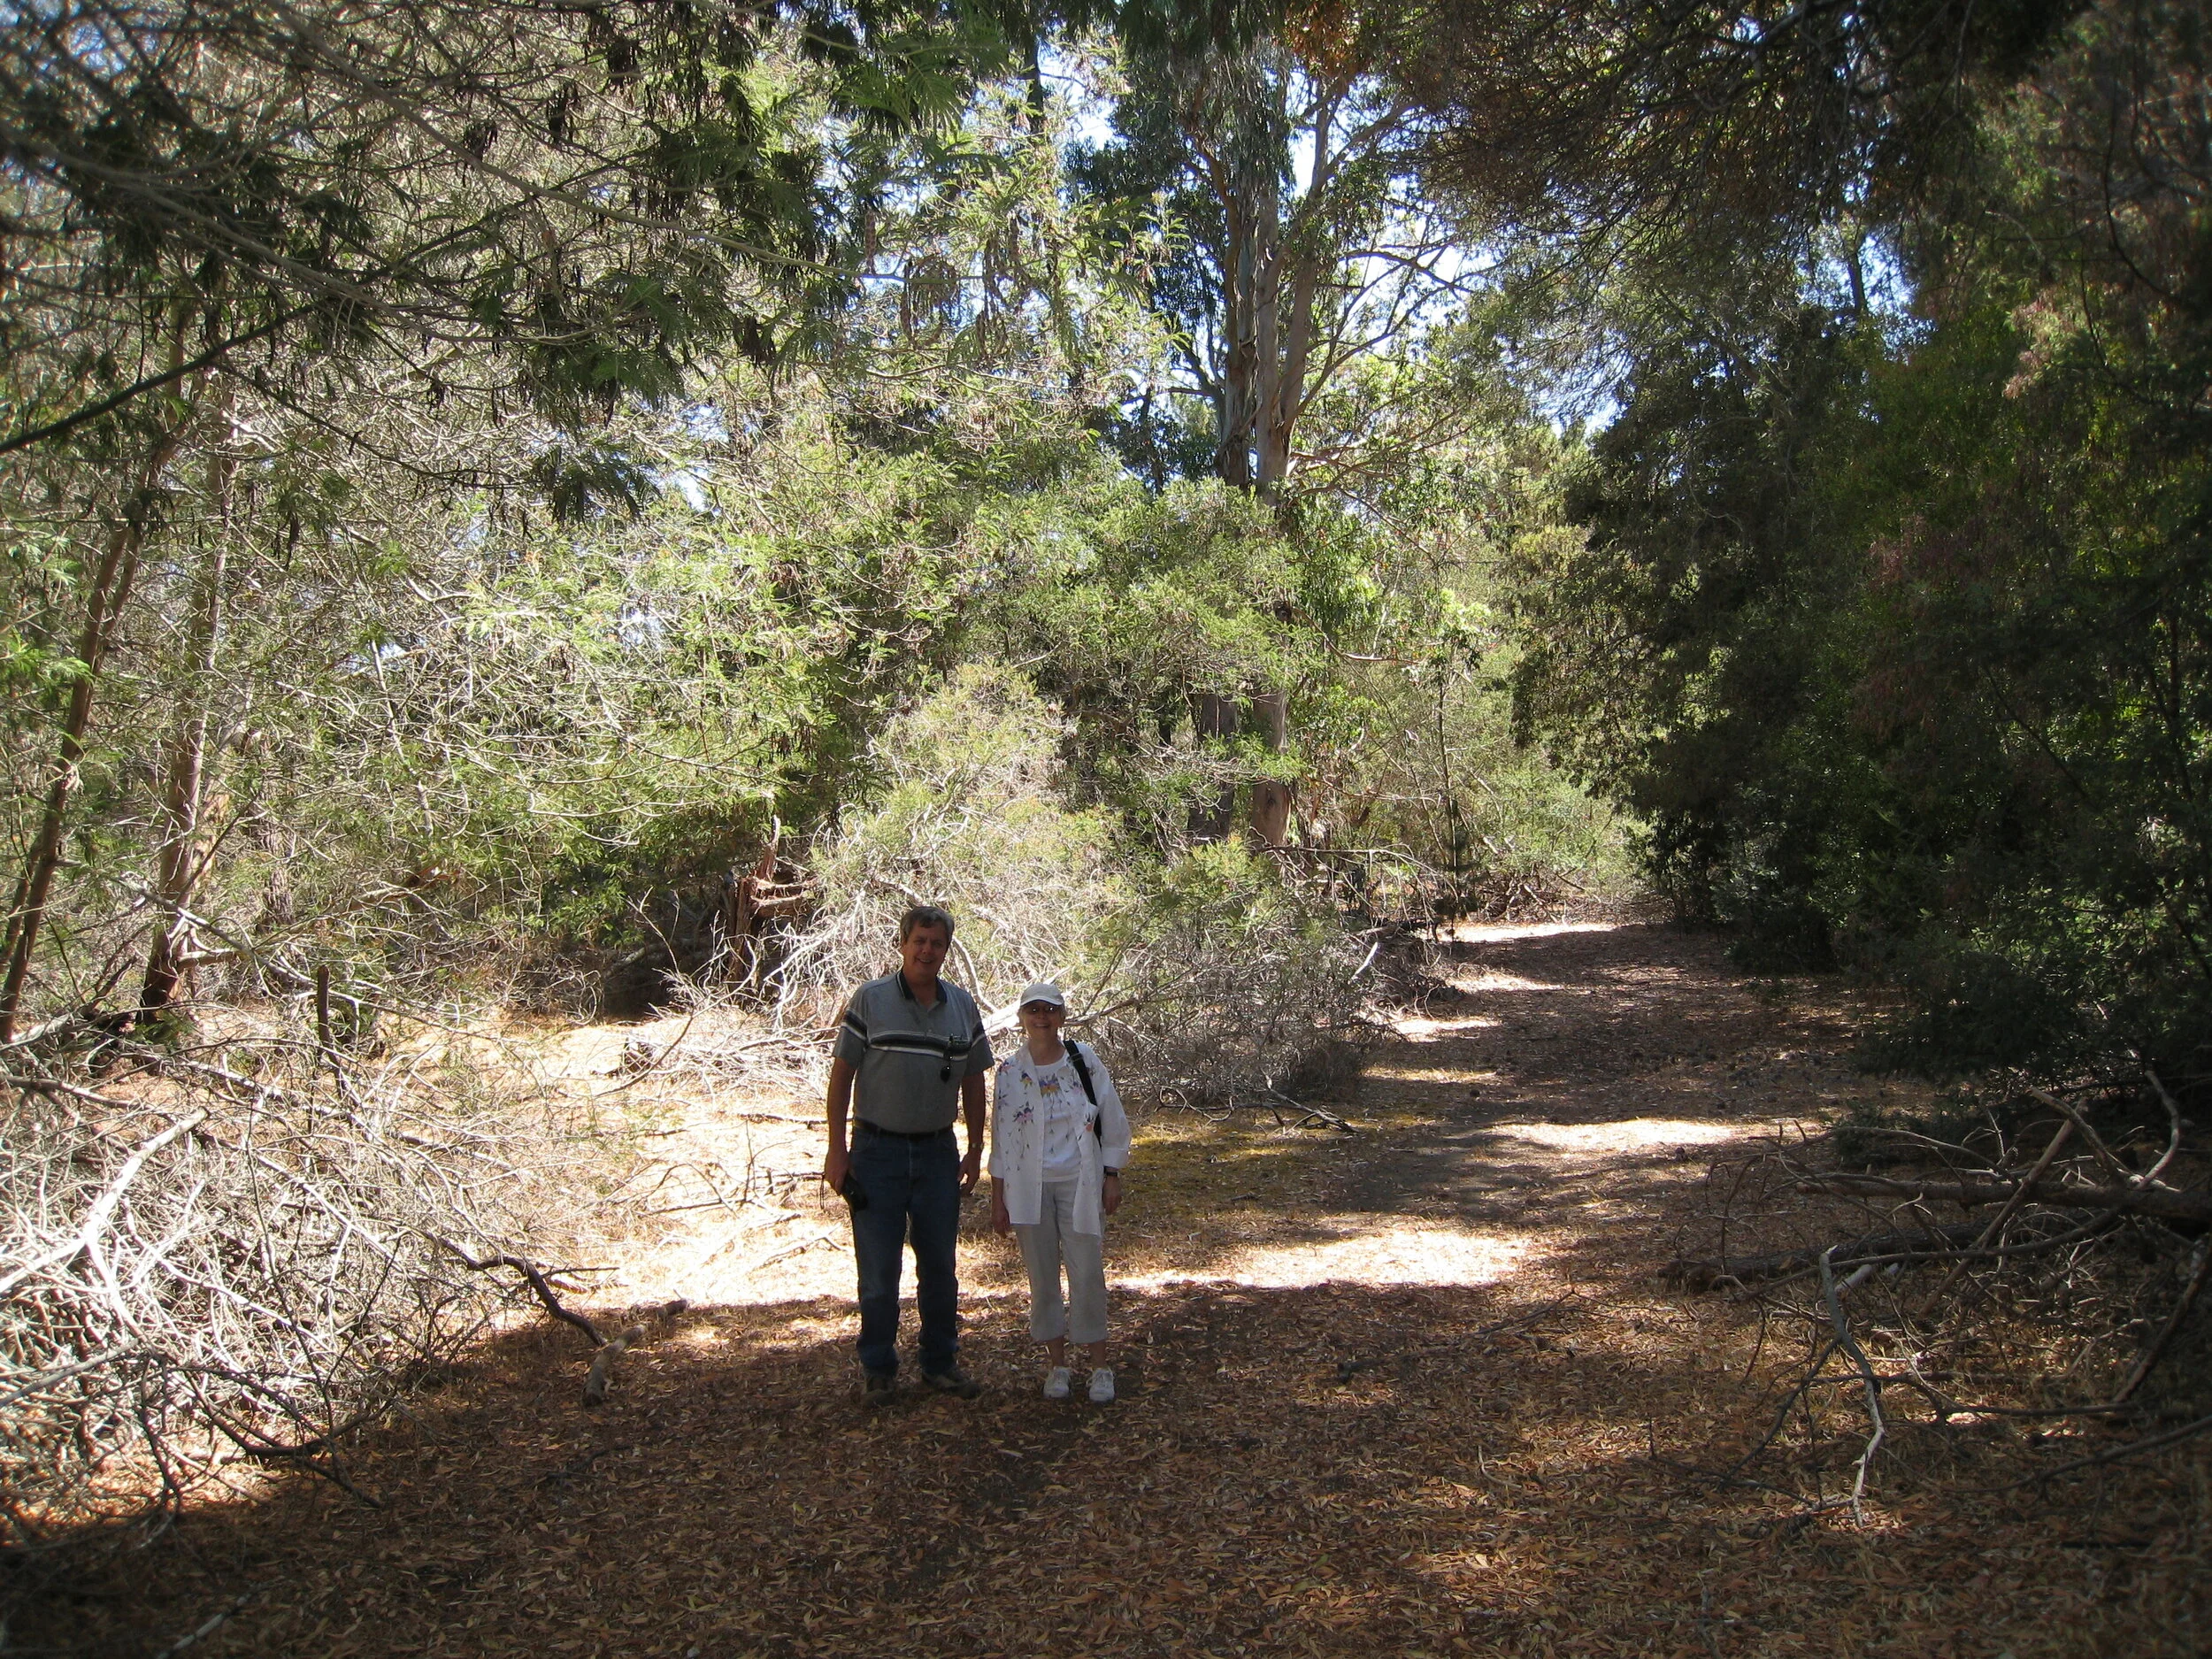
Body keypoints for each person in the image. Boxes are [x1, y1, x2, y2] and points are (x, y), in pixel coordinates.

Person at [823, 904, 993, 1404]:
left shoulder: (961, 1006)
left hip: (938, 1153)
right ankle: (878, 1368)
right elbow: (841, 1077)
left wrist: (975, 1147)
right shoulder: (871, 999)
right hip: (877, 1152)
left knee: (939, 1268)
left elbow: (974, 1080)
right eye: (919, 940)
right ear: (903, 944)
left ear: (946, 950)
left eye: (937, 943)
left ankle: (940, 1364)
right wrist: (837, 1150)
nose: (927, 951)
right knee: (879, 1272)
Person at [988, 981, 1130, 1404]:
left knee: (1087, 1273)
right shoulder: (1009, 1072)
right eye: (1033, 1010)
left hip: (1079, 1180)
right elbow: (1001, 1139)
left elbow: (1111, 1116)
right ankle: (1057, 1365)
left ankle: (1099, 1366)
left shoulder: (1082, 1061)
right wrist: (998, 1199)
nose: (1041, 1017)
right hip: (1028, 1187)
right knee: (1042, 1276)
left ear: (1062, 1016)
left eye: (1049, 1010)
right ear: (1021, 1018)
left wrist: (1111, 1174)